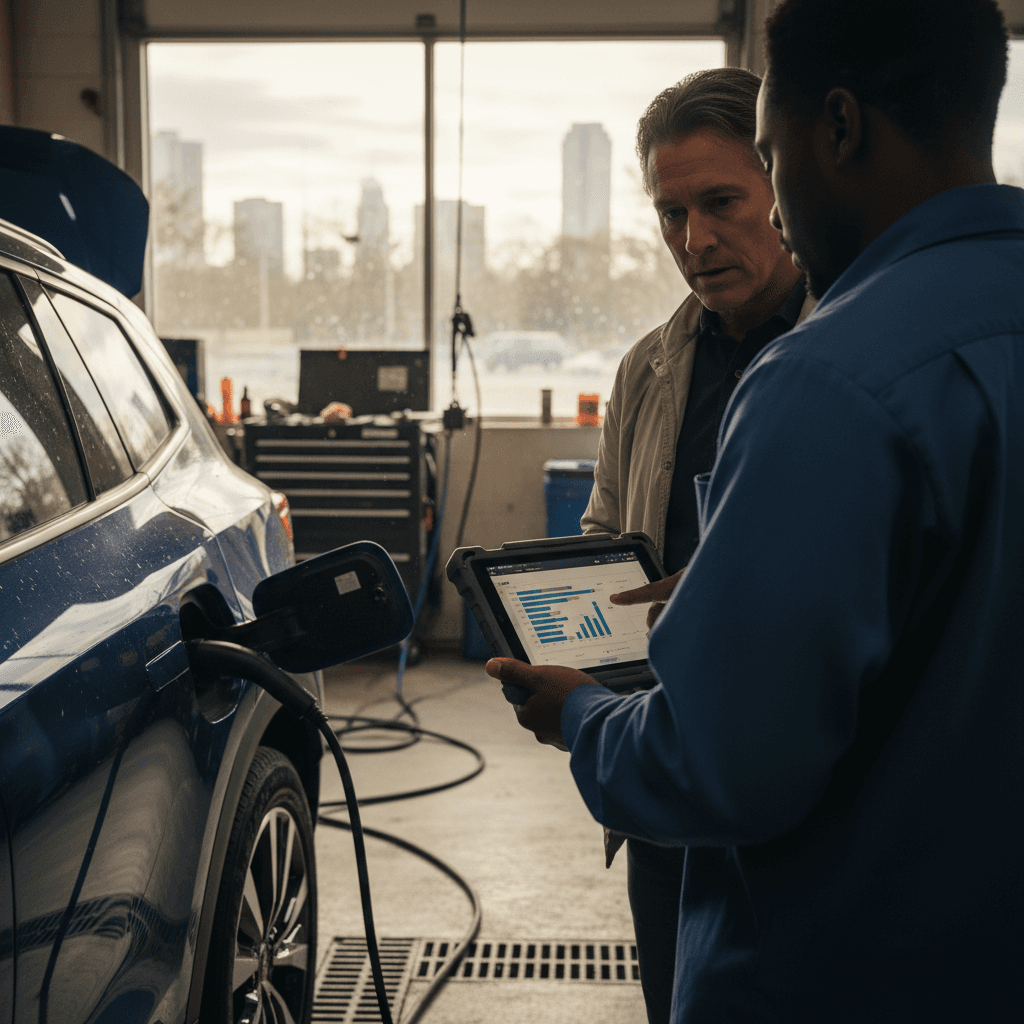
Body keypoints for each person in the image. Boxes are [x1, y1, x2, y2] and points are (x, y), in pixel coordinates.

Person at [487, 0, 1023, 1020]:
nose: (752, 222)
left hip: (844, 950)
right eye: (669, 215)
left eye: (763, 170)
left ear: (836, 128)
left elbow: (725, 772)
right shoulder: (660, 368)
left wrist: (583, 717)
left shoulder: (827, 379)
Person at [578, 67, 814, 1024]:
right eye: (670, 213)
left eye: (722, 202)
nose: (694, 241)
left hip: (806, 776)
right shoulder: (650, 367)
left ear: (783, 186)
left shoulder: (844, 349)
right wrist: (571, 649)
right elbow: (606, 532)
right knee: (675, 993)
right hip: (666, 759)